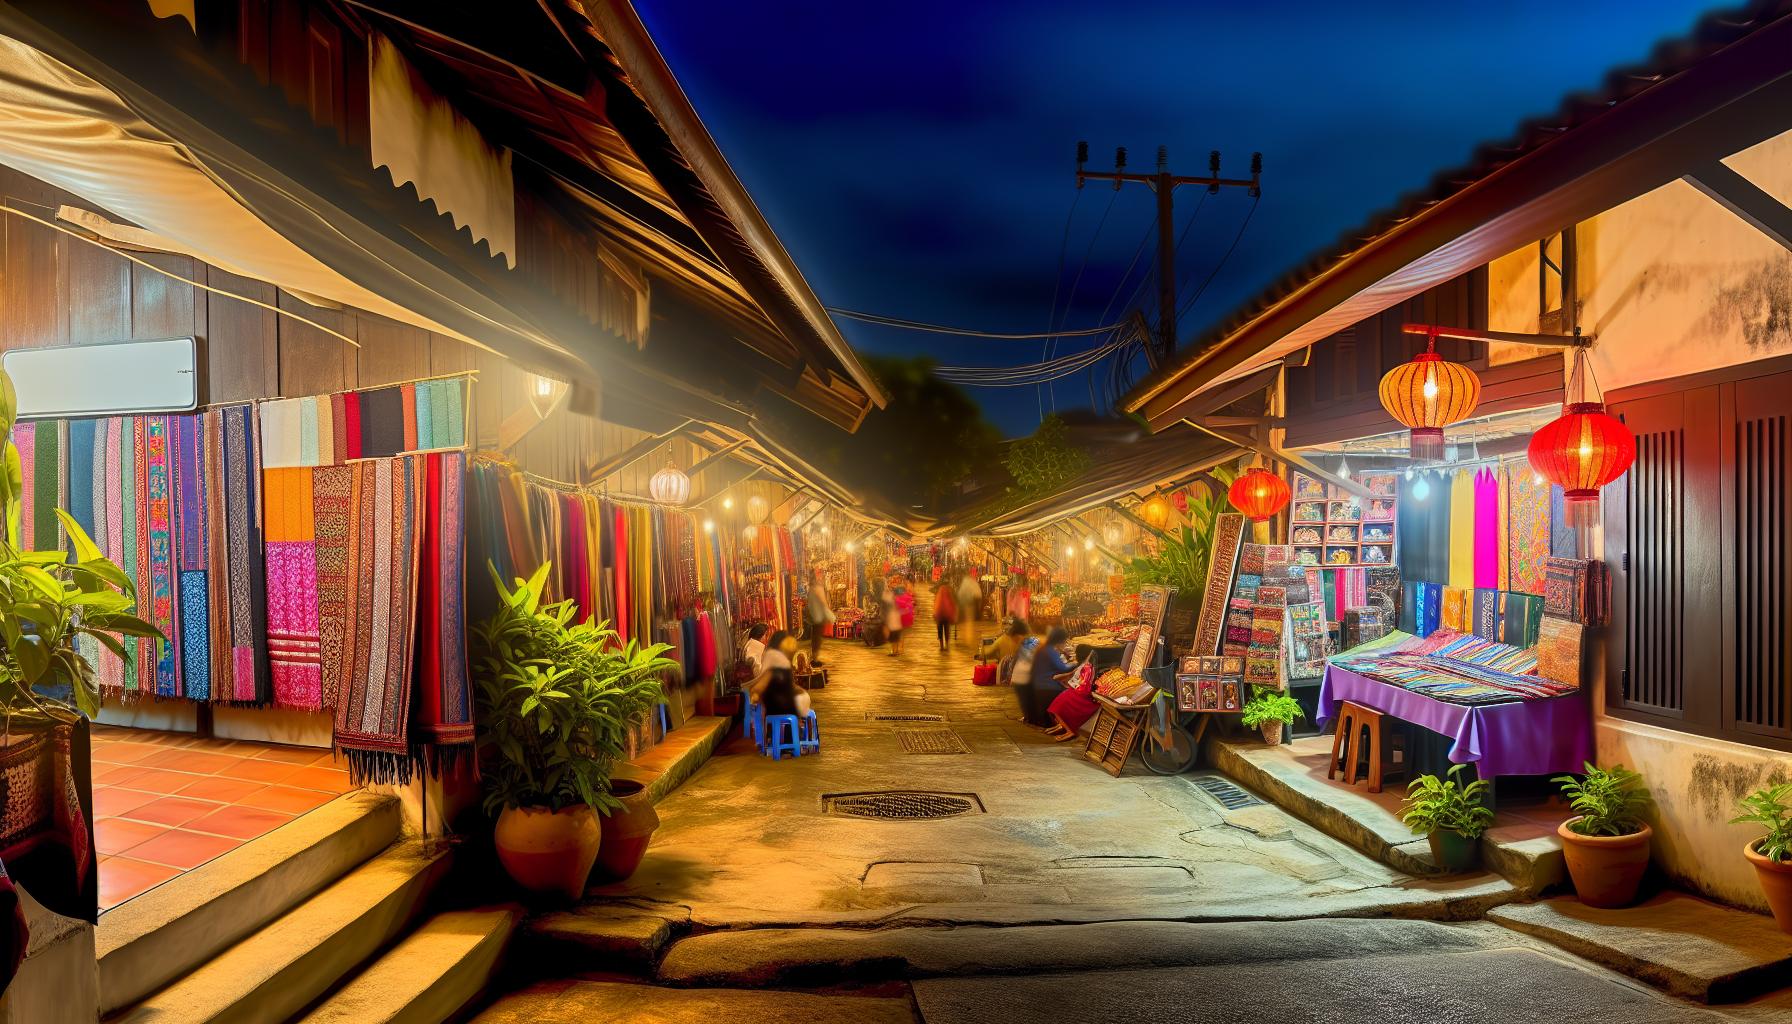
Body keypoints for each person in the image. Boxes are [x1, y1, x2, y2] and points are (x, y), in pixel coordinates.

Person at [1026, 627, 1075, 730]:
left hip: (1038, 685)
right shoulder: (1050, 651)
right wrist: (1076, 664)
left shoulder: (1044, 648)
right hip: (1047, 686)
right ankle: (1065, 724)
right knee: (1071, 694)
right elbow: (1061, 668)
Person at [805, 569, 833, 667]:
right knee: (817, 638)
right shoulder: (818, 587)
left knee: (814, 637)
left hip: (813, 615)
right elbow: (823, 602)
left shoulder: (810, 587)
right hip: (819, 615)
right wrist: (828, 612)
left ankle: (813, 657)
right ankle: (815, 659)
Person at [956, 570, 983, 653]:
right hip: (969, 606)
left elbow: (959, 594)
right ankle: (969, 641)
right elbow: (978, 594)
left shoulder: (964, 582)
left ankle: (966, 640)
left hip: (961, 606)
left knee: (964, 624)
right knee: (969, 624)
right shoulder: (972, 583)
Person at [932, 576, 957, 652]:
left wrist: (934, 613)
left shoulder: (939, 591)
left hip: (939, 614)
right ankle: (947, 645)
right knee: (946, 630)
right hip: (946, 614)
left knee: (940, 630)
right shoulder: (949, 591)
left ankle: (941, 645)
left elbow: (936, 602)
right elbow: (952, 602)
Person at [881, 580, 904, 657]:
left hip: (895, 618)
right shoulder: (891, 594)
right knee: (894, 636)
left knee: (894, 636)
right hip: (894, 619)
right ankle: (895, 650)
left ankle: (895, 650)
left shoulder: (893, 595)